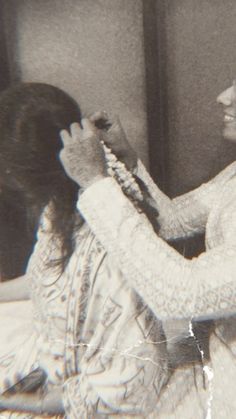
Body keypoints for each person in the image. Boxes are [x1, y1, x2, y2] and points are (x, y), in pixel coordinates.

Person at [59, 82, 236, 418]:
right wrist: (127, 159)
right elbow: (175, 222)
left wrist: (95, 183)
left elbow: (184, 295)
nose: (223, 96)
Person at [0, 82, 171, 418]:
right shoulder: (60, 209)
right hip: (60, 363)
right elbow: (45, 279)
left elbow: (133, 374)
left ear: (20, 176)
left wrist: (39, 402)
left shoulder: (109, 238)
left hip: (100, 393)